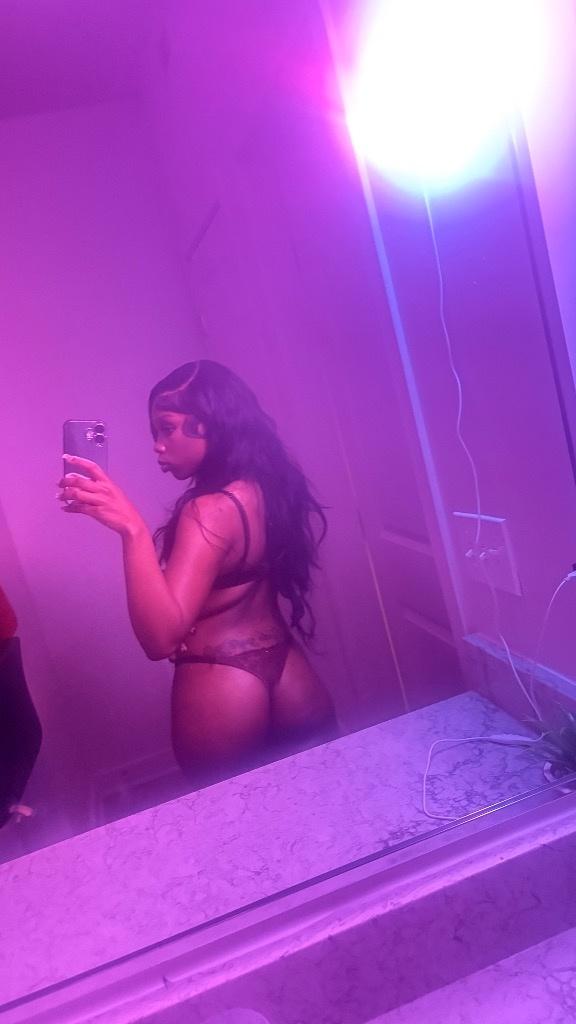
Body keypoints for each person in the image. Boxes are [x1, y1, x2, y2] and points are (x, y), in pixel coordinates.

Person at [58, 361, 338, 786]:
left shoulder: (206, 510)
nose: (158, 446)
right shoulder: (265, 486)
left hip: (223, 680)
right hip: (290, 671)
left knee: (231, 819)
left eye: (167, 429)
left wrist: (131, 529)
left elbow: (160, 639)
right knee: (322, 798)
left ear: (209, 422)